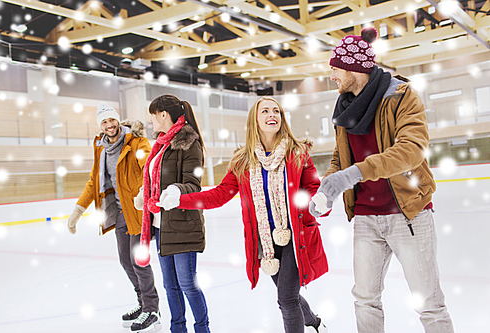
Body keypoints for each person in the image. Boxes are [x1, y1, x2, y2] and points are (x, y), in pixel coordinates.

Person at [309, 27, 454, 332]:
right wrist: (328, 187)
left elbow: (410, 150)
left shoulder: (402, 96)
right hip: (365, 217)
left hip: (407, 215)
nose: (332, 75)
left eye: (335, 68)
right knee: (365, 298)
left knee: (429, 302)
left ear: (353, 67)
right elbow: (342, 156)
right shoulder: (345, 107)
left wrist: (353, 173)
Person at [157, 97, 329, 333]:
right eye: (265, 111)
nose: (272, 115)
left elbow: (312, 188)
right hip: (265, 242)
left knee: (286, 299)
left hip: (294, 237)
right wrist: (181, 199)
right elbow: (219, 195)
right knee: (288, 293)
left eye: (276, 111)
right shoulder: (243, 161)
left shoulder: (297, 153)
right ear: (255, 120)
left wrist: (318, 201)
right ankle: (314, 322)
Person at [67, 102, 161, 332]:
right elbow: (94, 181)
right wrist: (78, 210)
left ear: (118, 120)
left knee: (139, 260)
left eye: (112, 120)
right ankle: (142, 303)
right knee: (126, 261)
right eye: (104, 122)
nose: (109, 125)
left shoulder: (136, 142)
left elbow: (149, 167)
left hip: (138, 210)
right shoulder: (100, 148)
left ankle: (152, 310)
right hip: (119, 213)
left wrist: (143, 194)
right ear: (100, 125)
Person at [134, 94, 210, 333]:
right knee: (170, 286)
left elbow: (193, 184)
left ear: (163, 114)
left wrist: (176, 190)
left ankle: (202, 329)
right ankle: (177, 329)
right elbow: (154, 180)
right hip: (161, 225)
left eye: (153, 116)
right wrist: (143, 194)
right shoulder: (161, 144)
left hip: (183, 224)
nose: (151, 122)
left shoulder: (189, 141)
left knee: (187, 284)